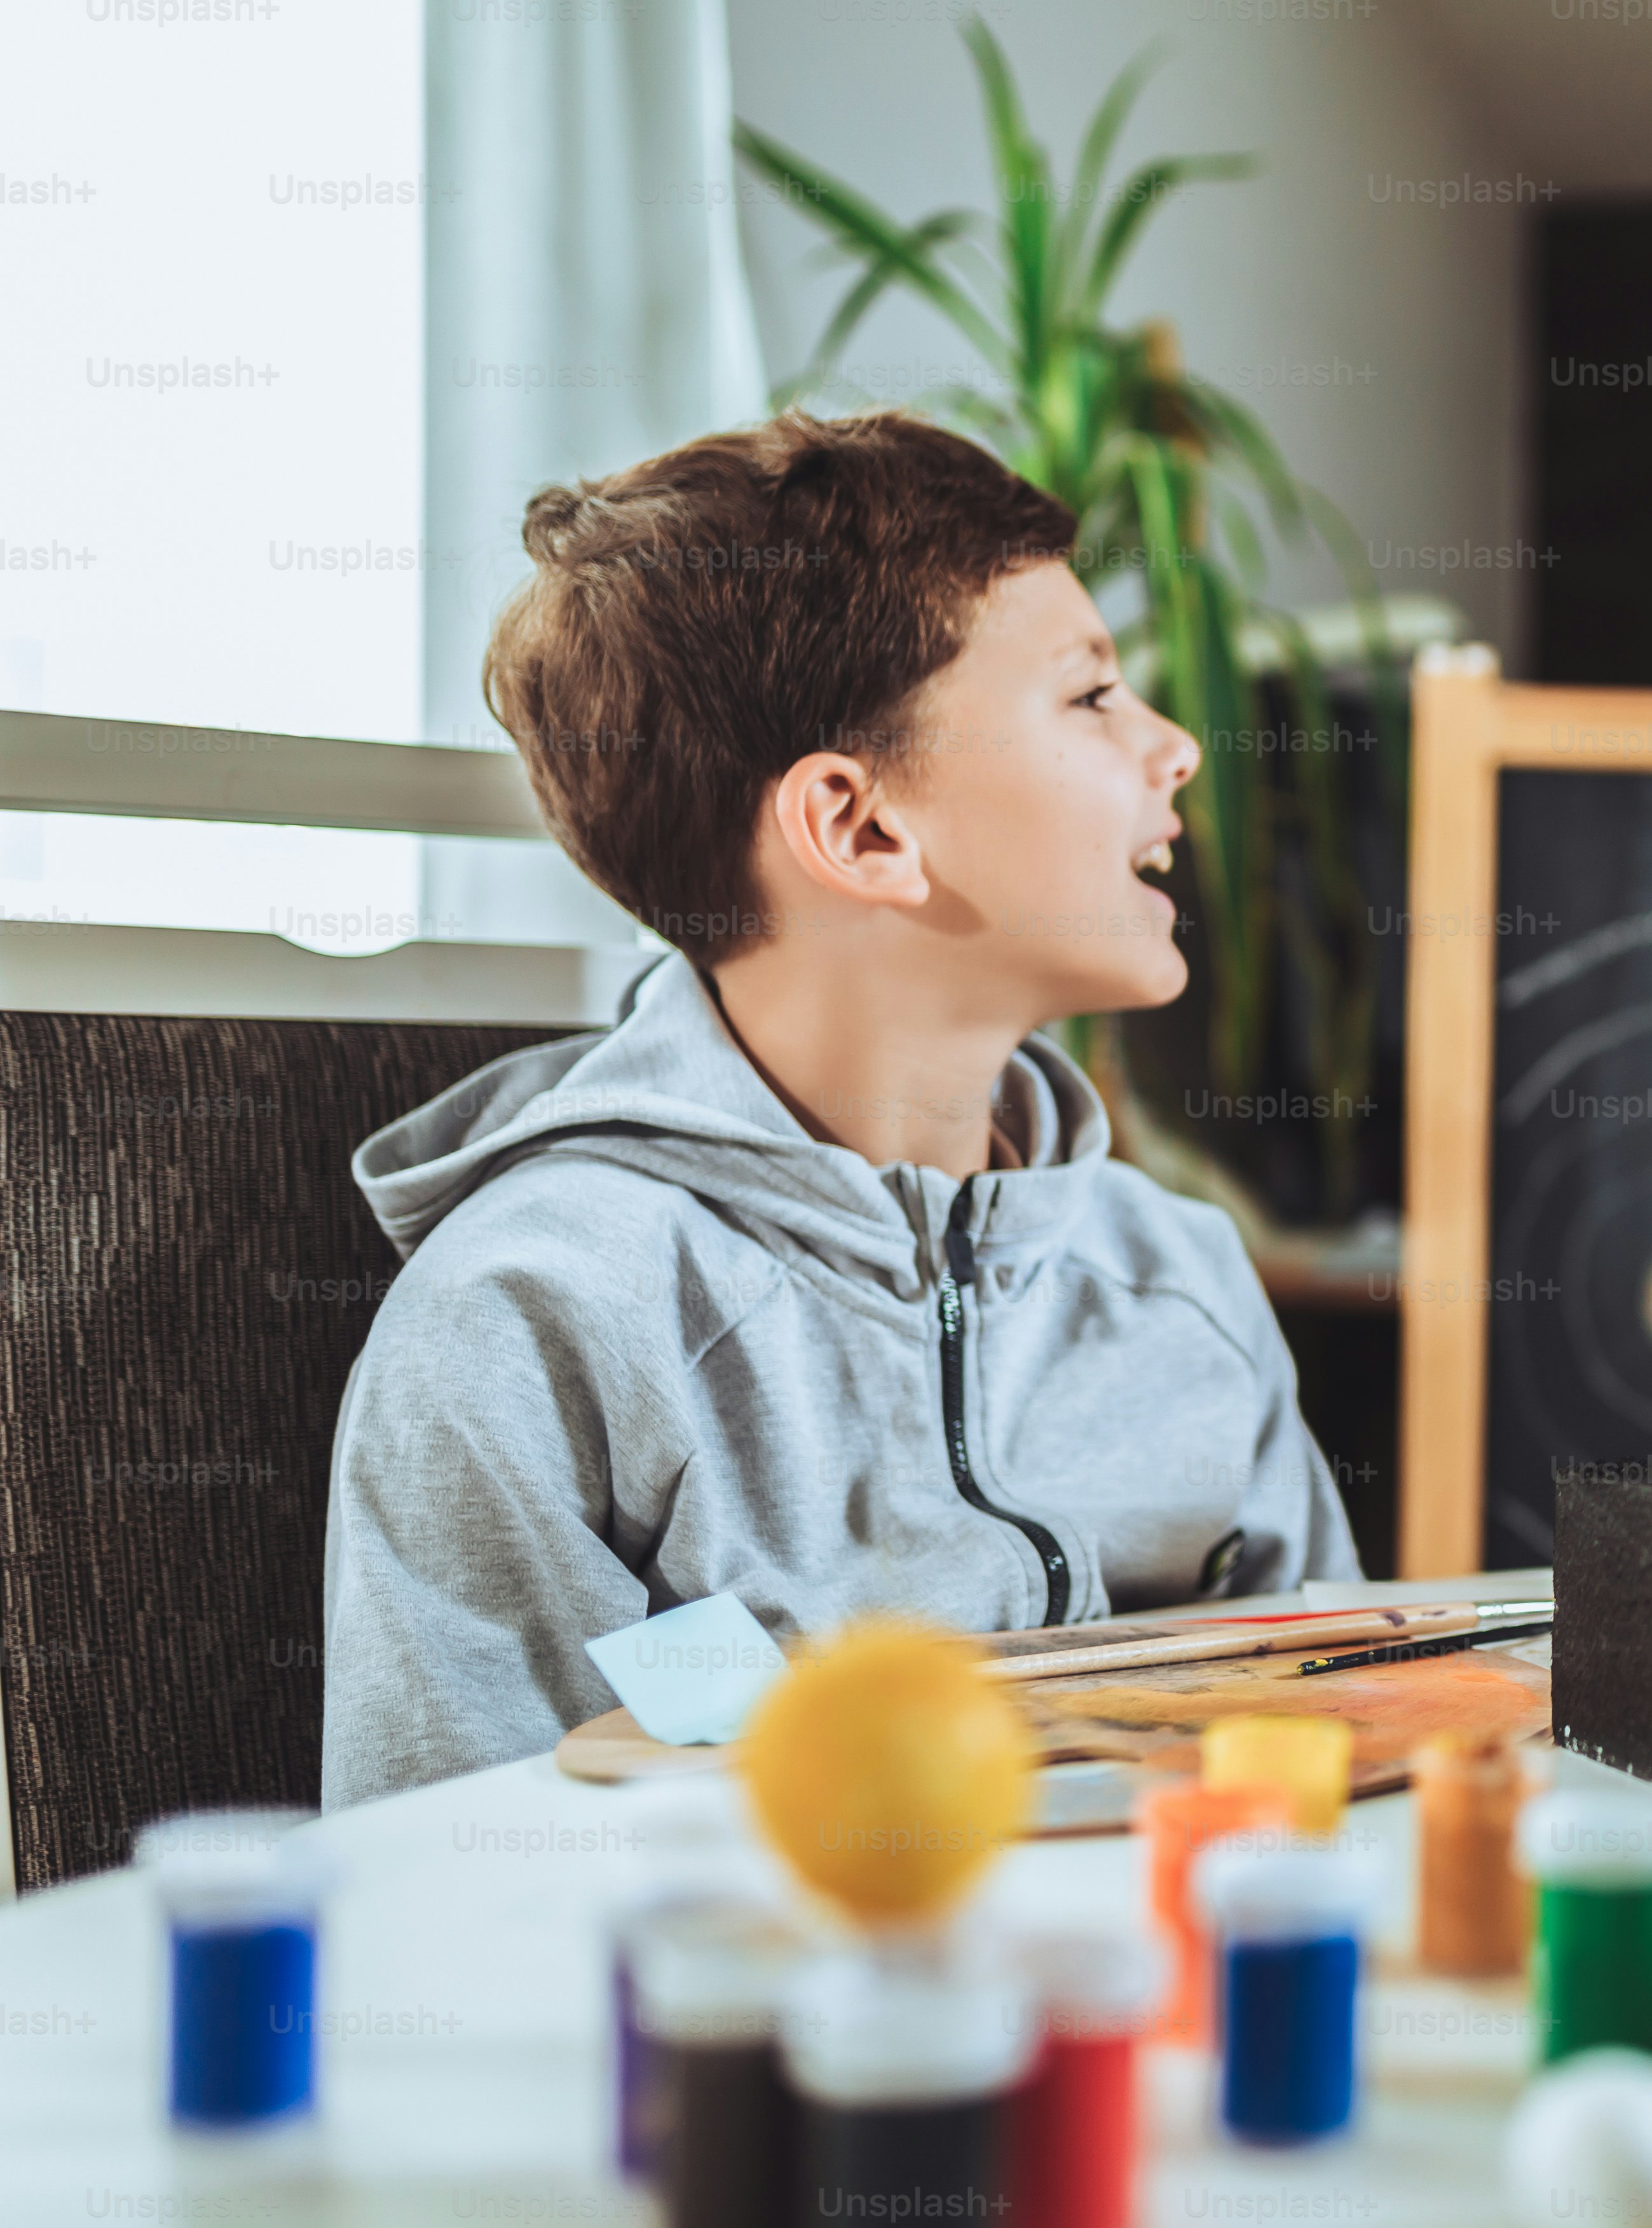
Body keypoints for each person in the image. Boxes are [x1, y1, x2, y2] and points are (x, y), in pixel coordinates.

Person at [320, 411, 1356, 1808]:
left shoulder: (1178, 1276)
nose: (1173, 746)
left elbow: (1358, 1760)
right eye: (1091, 697)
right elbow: (463, 1883)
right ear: (862, 828)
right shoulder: (533, 1322)